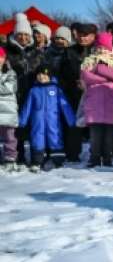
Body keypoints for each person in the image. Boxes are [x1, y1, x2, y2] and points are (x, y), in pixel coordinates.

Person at [18, 64, 76, 171]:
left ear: (49, 76)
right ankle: (37, 161)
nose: (41, 77)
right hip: (37, 122)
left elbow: (65, 105)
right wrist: (22, 121)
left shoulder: (56, 89)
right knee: (37, 140)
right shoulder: (33, 91)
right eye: (39, 75)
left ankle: (57, 161)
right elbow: (27, 107)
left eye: (44, 75)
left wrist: (71, 120)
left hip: (53, 121)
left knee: (55, 138)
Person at [81, 32, 113, 167]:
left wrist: (99, 69)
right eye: (100, 47)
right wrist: (107, 77)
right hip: (94, 103)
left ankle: (107, 158)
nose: (102, 50)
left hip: (111, 103)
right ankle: (94, 158)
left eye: (105, 47)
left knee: (109, 137)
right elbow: (86, 77)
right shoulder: (89, 61)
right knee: (95, 136)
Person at [6, 13, 42, 164]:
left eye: (26, 35)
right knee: (16, 126)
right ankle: (18, 154)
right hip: (14, 93)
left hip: (33, 93)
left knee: (33, 124)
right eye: (19, 34)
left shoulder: (36, 52)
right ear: (15, 35)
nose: (23, 38)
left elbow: (44, 69)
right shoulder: (8, 52)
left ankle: (35, 155)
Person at [58, 22, 97, 162]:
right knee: (74, 125)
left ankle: (96, 155)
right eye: (80, 35)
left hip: (95, 93)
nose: (83, 38)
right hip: (73, 93)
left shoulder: (99, 50)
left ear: (93, 36)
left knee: (95, 125)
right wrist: (70, 85)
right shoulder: (69, 51)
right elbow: (61, 73)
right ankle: (72, 154)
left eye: (86, 35)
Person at [0, 48, 17, 168]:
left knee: (10, 137)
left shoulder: (10, 73)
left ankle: (10, 157)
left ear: (4, 58)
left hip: (8, 111)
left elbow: (9, 88)